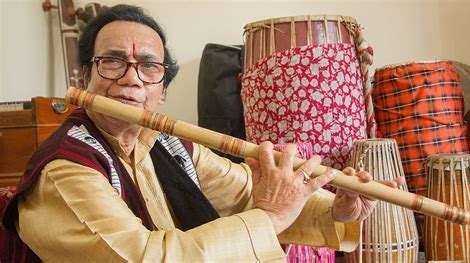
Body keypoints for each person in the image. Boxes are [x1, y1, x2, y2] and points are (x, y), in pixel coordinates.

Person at [3, 4, 403, 262]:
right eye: (111, 62)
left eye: (148, 67)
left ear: (161, 91)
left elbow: (246, 189)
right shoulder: (64, 170)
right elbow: (144, 258)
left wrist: (334, 209)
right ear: (86, 77)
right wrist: (270, 215)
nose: (131, 80)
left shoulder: (168, 144)